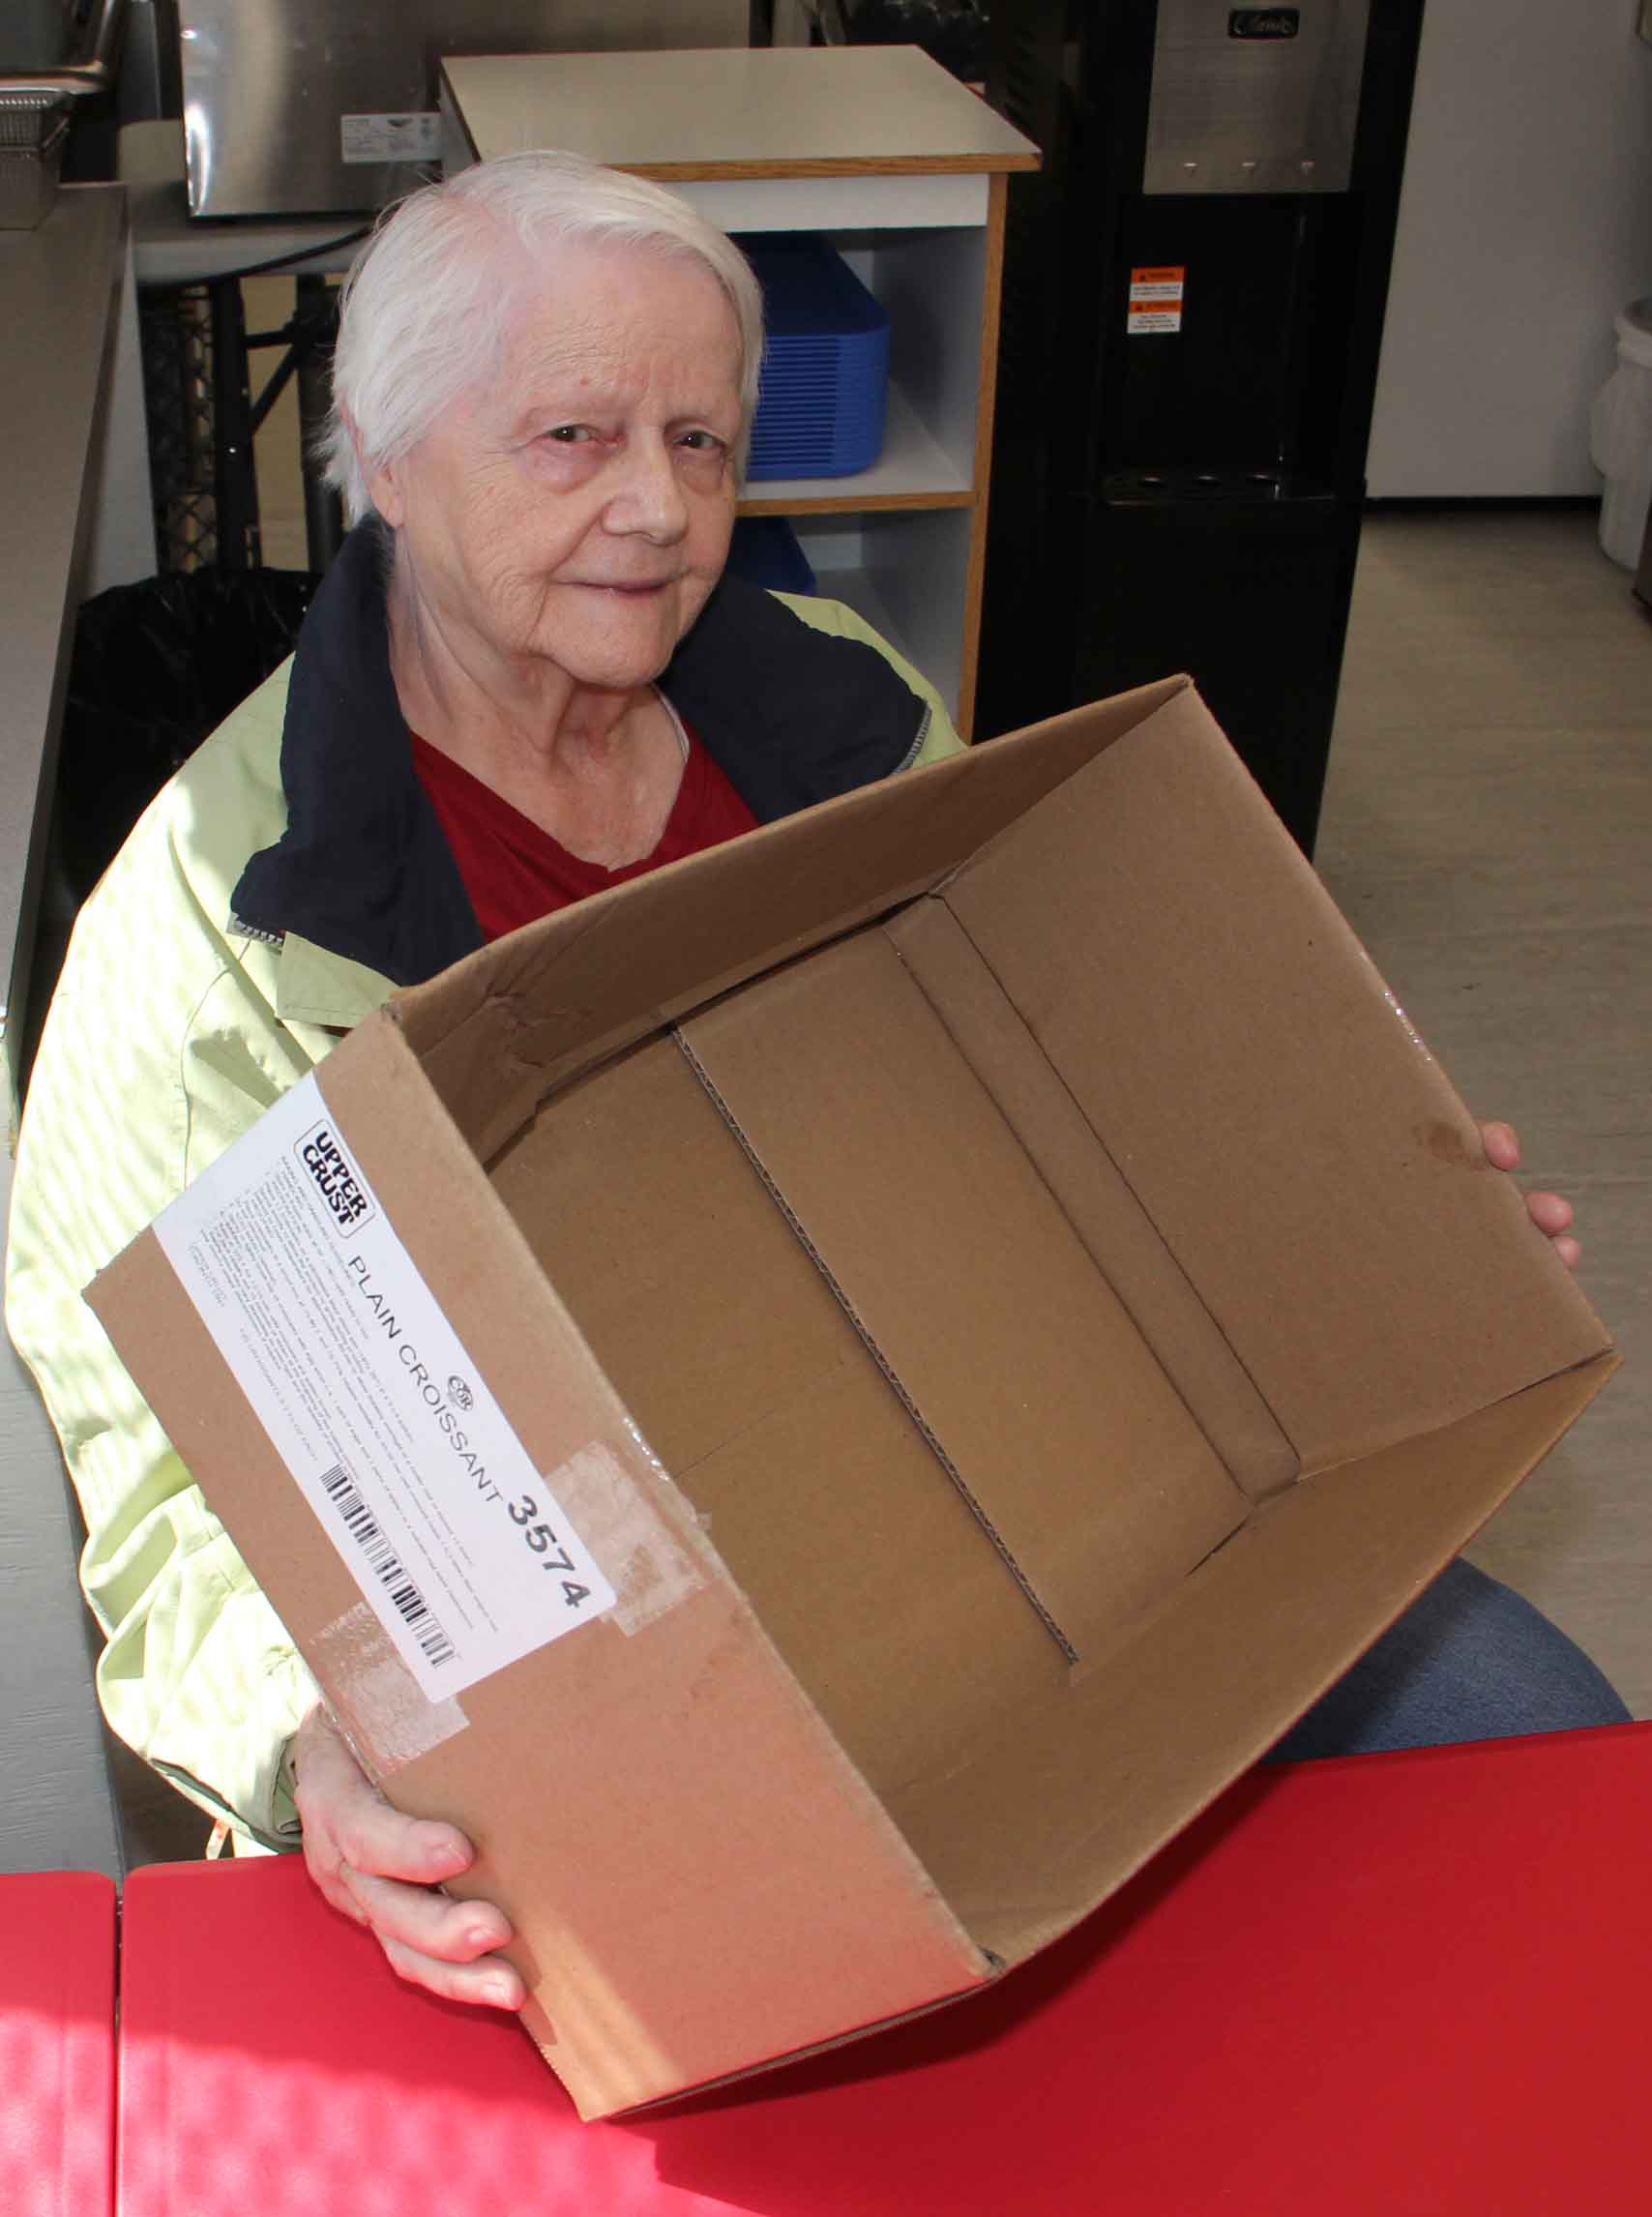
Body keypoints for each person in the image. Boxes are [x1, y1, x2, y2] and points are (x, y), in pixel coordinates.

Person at [5, 153, 1624, 2021]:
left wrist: (1348, 1221)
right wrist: (310, 1742)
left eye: (703, 441)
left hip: (1018, 1517)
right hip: (596, 1677)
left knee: (1543, 1751)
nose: (655, 508)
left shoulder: (832, 711)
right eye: (573, 435)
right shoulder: (215, 926)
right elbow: (168, 1499)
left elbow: (1082, 1101)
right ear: (382, 451)